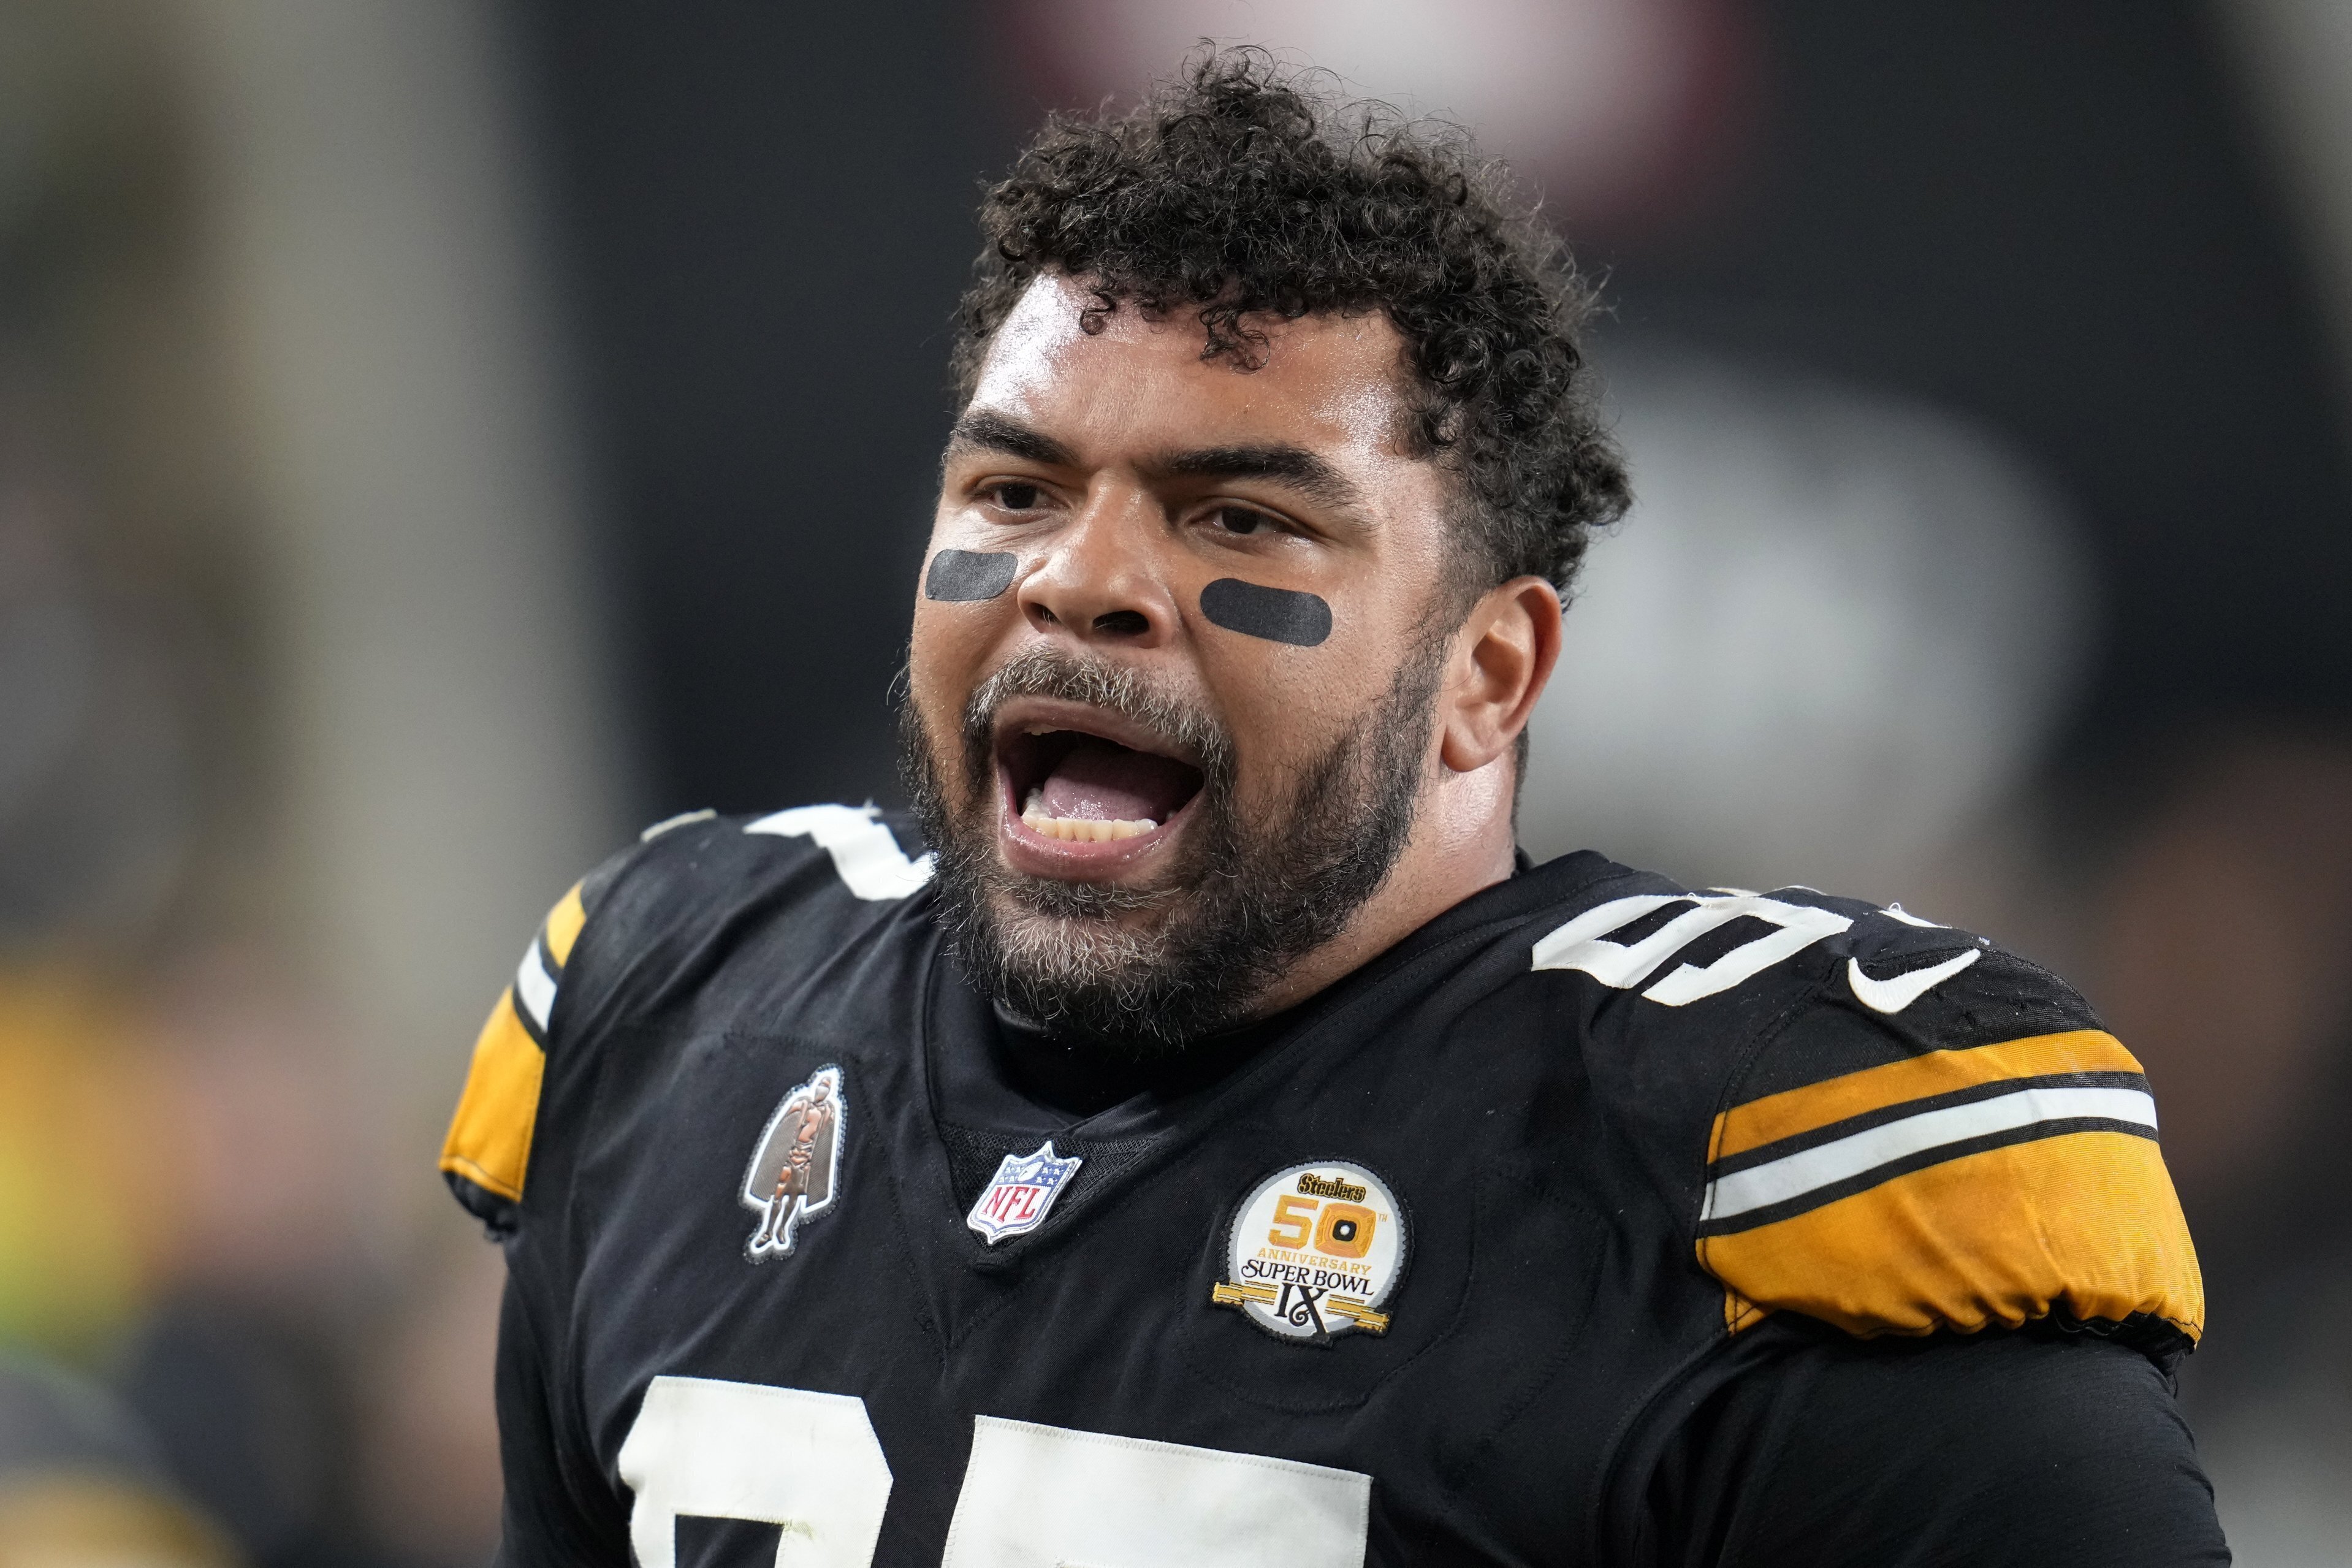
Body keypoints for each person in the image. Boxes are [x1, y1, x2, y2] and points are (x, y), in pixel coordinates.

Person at [438, 51, 2225, 1566]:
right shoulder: (682, 1020)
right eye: (1017, 484)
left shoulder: (1742, 1178)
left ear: (1488, 676)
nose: (1083, 581)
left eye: (1240, 517)